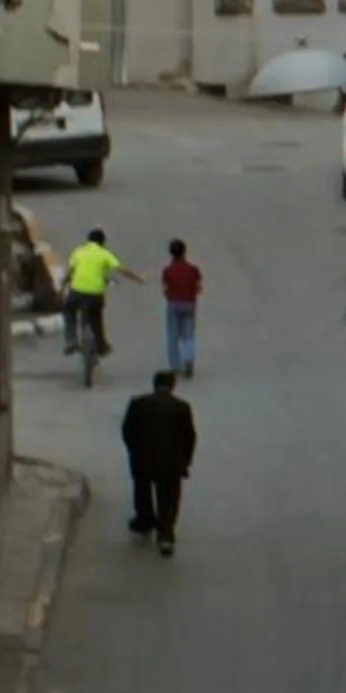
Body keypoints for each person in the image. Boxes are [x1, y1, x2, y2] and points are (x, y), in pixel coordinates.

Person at [120, 370, 197, 556]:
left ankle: (145, 520)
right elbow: (189, 437)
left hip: (143, 457)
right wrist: (185, 461)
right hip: (171, 461)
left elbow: (127, 430)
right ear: (173, 386)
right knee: (169, 497)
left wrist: (134, 451)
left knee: (142, 490)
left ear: (154, 384)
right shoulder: (181, 407)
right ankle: (166, 535)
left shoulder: (137, 404)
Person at [62, 228, 147, 359]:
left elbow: (70, 271)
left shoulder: (78, 252)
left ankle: (71, 339)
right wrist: (138, 279)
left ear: (88, 240)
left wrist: (63, 285)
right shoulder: (105, 254)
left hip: (77, 291)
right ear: (102, 242)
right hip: (95, 294)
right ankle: (101, 345)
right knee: (96, 319)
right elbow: (121, 270)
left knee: (69, 310)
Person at [160, 239, 204, 378]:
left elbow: (165, 288)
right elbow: (198, 287)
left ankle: (175, 366)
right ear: (184, 251)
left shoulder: (168, 271)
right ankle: (188, 360)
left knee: (172, 335)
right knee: (188, 335)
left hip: (173, 303)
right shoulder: (193, 269)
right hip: (189, 303)